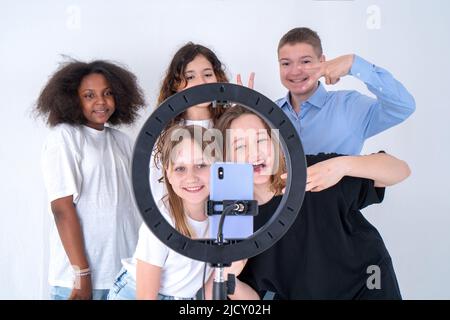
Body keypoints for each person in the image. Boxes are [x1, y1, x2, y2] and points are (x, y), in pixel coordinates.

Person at [215, 106, 411, 299]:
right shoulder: (234, 217)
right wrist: (227, 278)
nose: (254, 153)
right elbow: (253, 299)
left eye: (260, 140)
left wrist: (341, 166)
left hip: (368, 285)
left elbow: (400, 171)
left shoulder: (314, 171)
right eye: (240, 145)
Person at [36, 60, 146, 299]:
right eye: (89, 95)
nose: (101, 101)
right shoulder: (64, 137)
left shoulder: (122, 141)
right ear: (73, 100)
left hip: (123, 277)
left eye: (107, 93)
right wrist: (82, 274)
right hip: (79, 280)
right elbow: (62, 209)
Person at [108, 125, 221, 300]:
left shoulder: (222, 215)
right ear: (167, 173)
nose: (191, 177)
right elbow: (146, 297)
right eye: (180, 168)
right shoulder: (163, 221)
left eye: (201, 165)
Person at [276, 27, 416, 155]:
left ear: (322, 61)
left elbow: (403, 106)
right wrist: (253, 105)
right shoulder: (268, 112)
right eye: (286, 63)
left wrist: (353, 64)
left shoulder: (350, 106)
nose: (295, 71)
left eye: (305, 61)